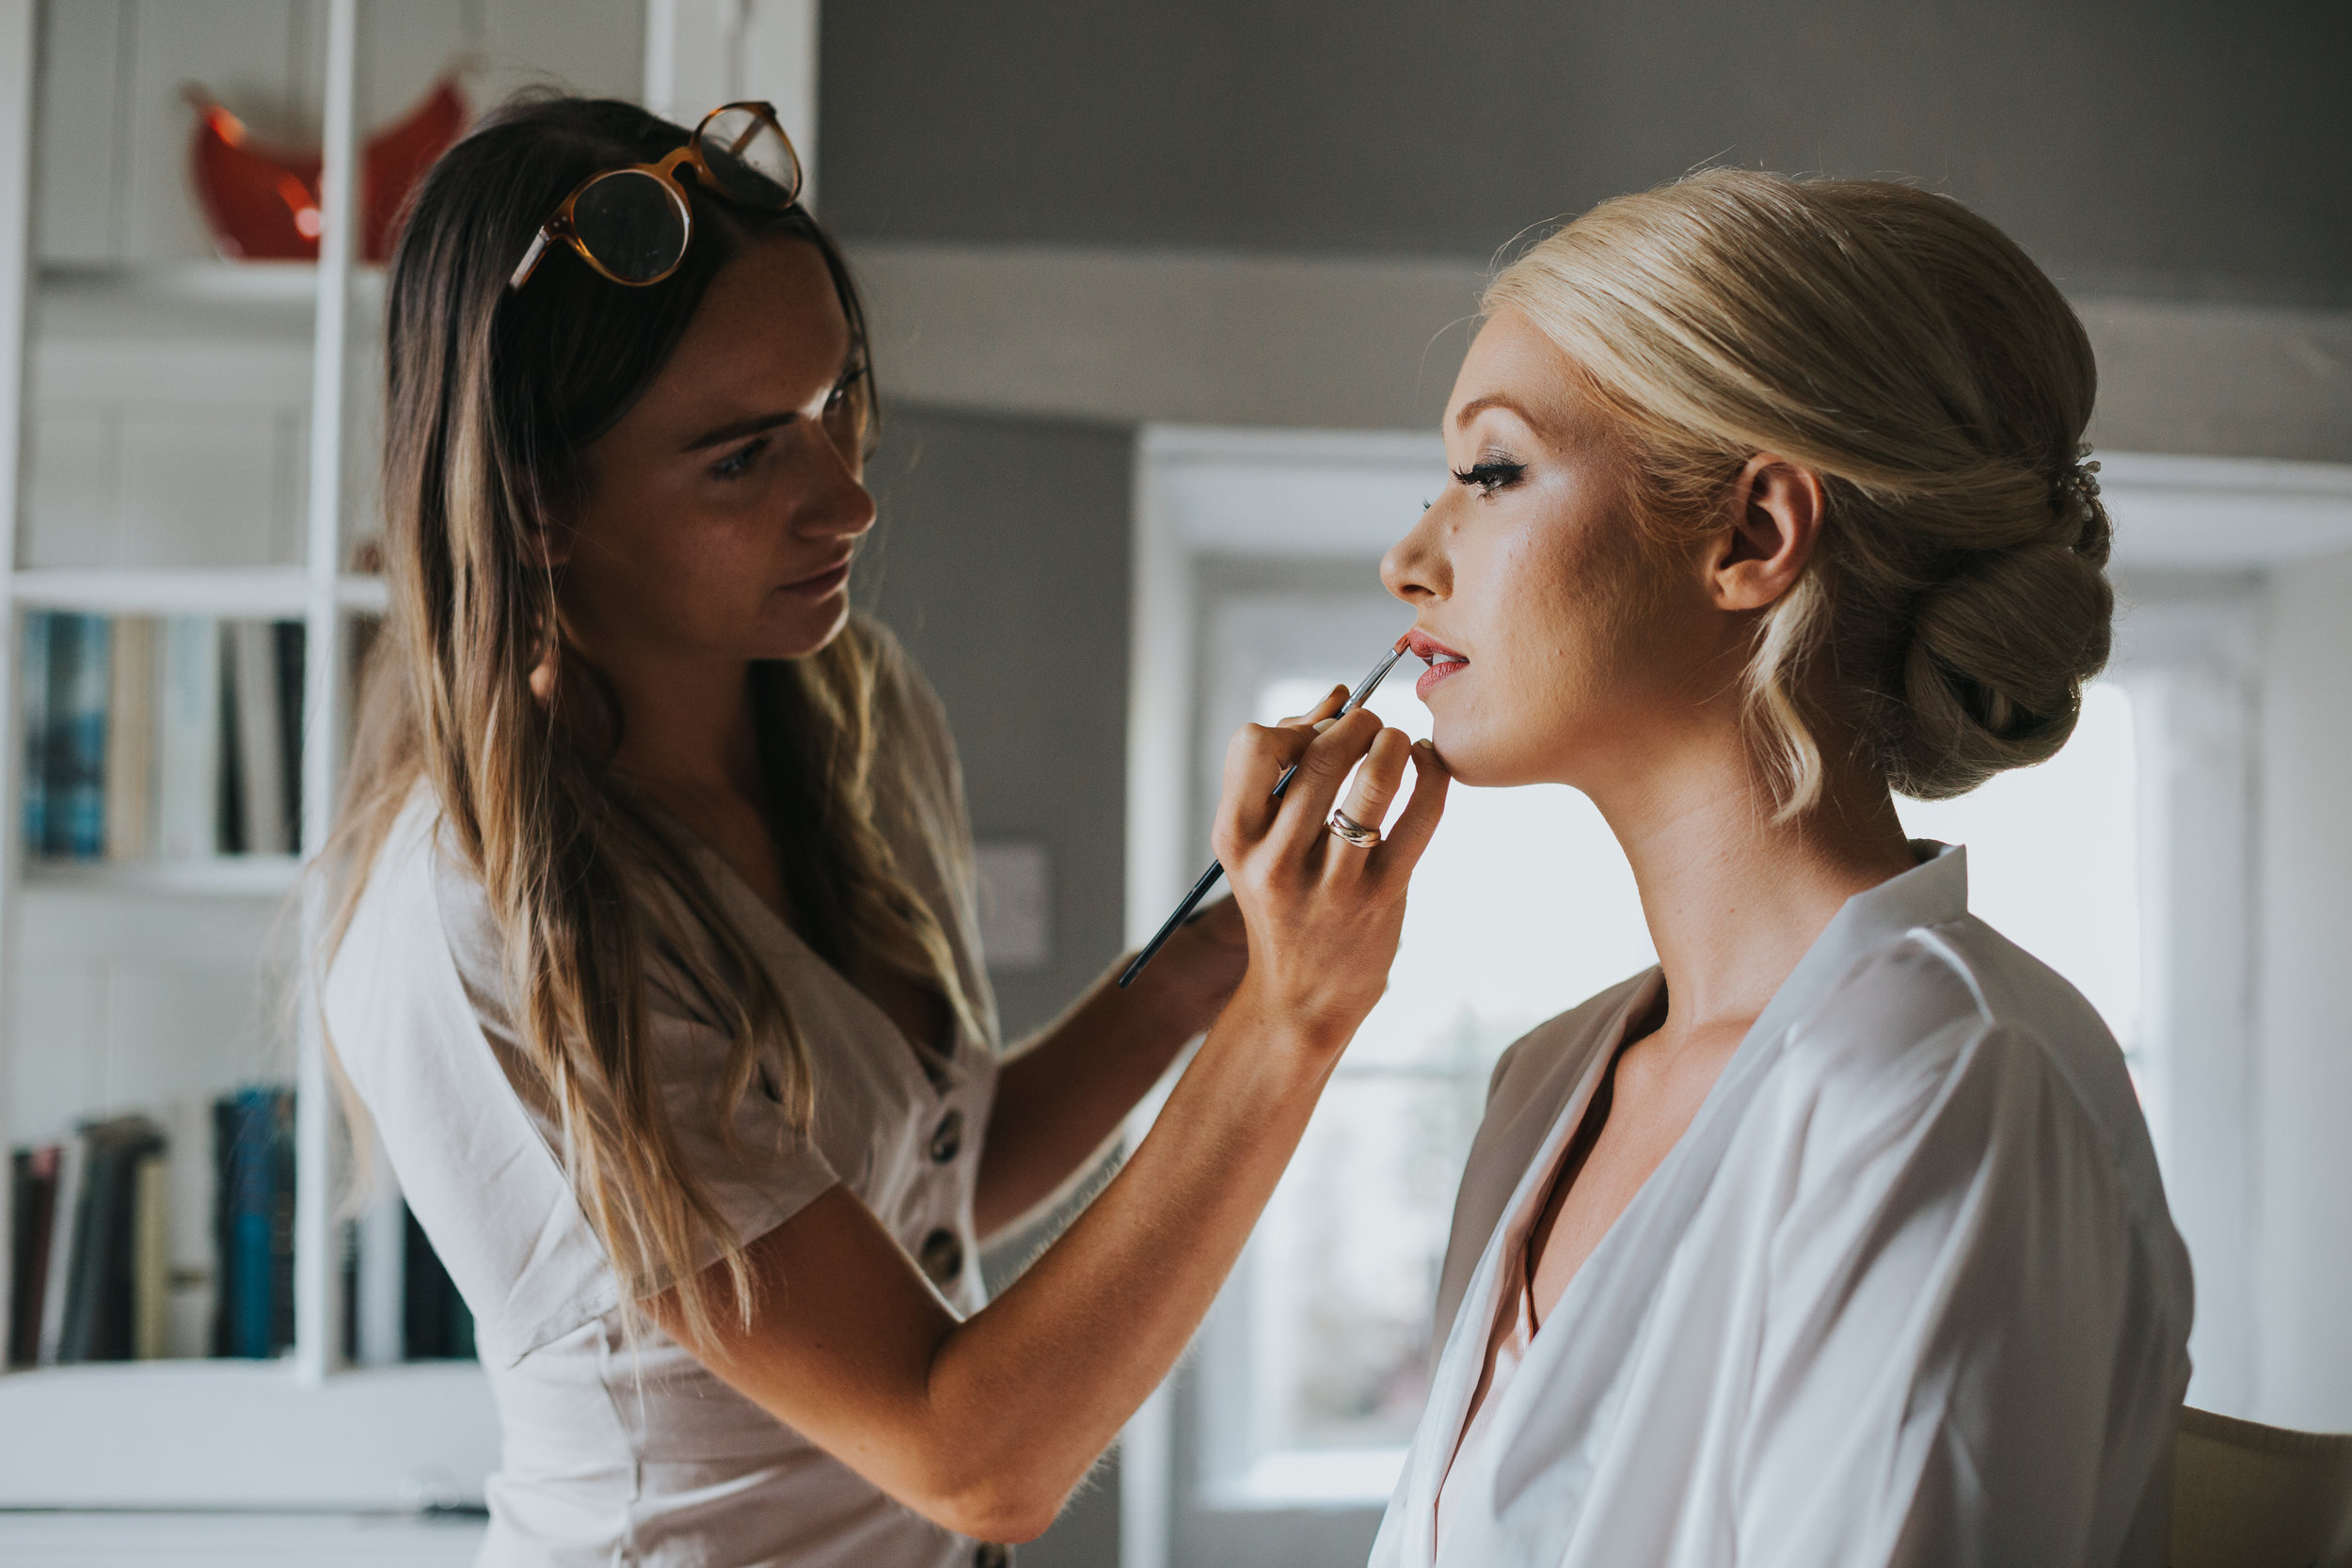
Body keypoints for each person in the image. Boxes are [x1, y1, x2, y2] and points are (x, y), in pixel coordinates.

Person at [319, 94, 1447, 1568]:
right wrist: (1291, 1023)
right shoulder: (487, 921)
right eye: (743, 459)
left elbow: (922, 1183)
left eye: (833, 403)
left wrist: (1208, 968)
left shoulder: (842, 707)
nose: (847, 495)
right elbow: (972, 1459)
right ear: (533, 502)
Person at [1367, 170, 2192, 1568]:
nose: (1408, 558)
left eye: (1491, 472)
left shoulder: (1941, 1082)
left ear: (1750, 534)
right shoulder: (1544, 1085)